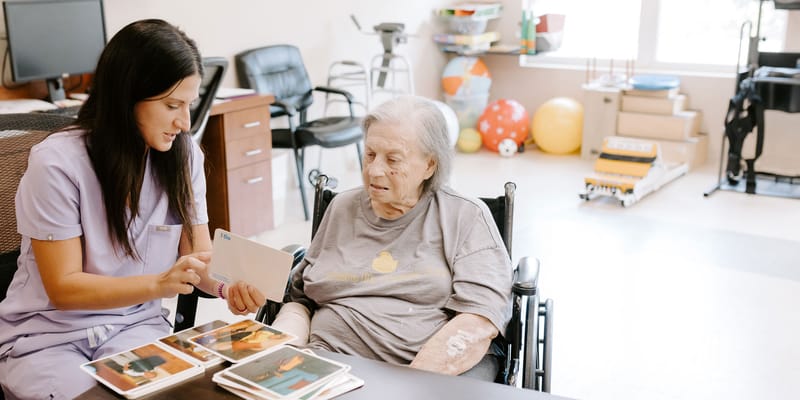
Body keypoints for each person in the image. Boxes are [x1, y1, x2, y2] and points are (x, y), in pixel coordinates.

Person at [0, 19, 264, 399]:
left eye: (189, 105)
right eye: (172, 105)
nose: (184, 122)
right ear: (126, 97)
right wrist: (157, 284)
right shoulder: (57, 164)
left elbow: (198, 258)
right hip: (49, 337)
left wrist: (227, 284)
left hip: (134, 327)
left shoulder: (182, 154)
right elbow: (64, 288)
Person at [272, 95, 513, 380]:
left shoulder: (465, 216)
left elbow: (479, 318)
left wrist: (411, 385)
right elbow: (301, 299)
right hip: (327, 366)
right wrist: (284, 349)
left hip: (424, 373)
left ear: (430, 165)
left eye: (393, 160)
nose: (374, 171)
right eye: (370, 154)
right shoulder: (341, 208)